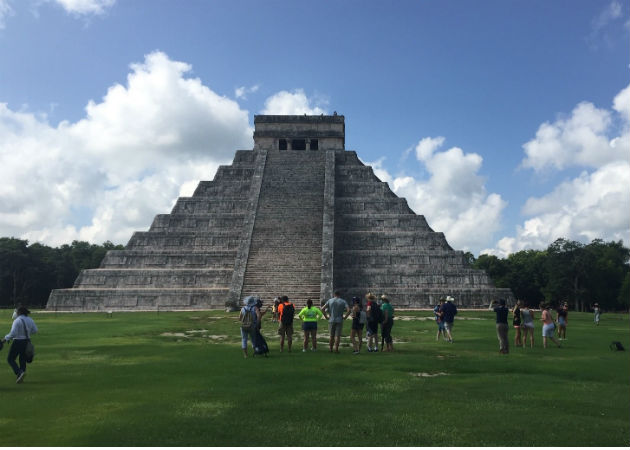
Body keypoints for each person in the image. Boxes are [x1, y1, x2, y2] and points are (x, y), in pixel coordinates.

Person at [1, 306, 38, 383]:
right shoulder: (30, 320)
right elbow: (35, 330)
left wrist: (5, 339)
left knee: (10, 359)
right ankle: (20, 377)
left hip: (18, 341)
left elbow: (13, 333)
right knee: (22, 359)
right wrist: (26, 333)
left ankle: (19, 372)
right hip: (27, 341)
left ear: (19, 312)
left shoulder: (17, 321)